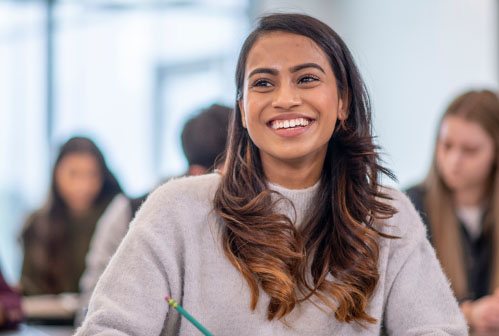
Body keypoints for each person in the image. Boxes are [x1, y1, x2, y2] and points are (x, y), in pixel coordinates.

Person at [76, 13, 467, 335]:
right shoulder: (176, 210)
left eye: (307, 79)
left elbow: (438, 329)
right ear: (244, 110)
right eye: (263, 83)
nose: (285, 99)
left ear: (343, 100)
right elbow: (107, 329)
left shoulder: (388, 216)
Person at [406, 90, 499, 331]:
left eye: (470, 150)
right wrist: (467, 314)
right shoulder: (411, 205)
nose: (453, 160)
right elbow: (401, 305)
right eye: (447, 146)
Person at [76, 104, 231, 320]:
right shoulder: (130, 212)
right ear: (198, 173)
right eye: (236, 169)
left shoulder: (258, 215)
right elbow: (93, 306)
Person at [20, 136, 122, 296]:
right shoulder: (36, 223)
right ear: (56, 174)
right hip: (48, 318)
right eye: (73, 174)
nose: (83, 185)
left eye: (92, 174)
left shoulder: (118, 220)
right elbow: (28, 288)